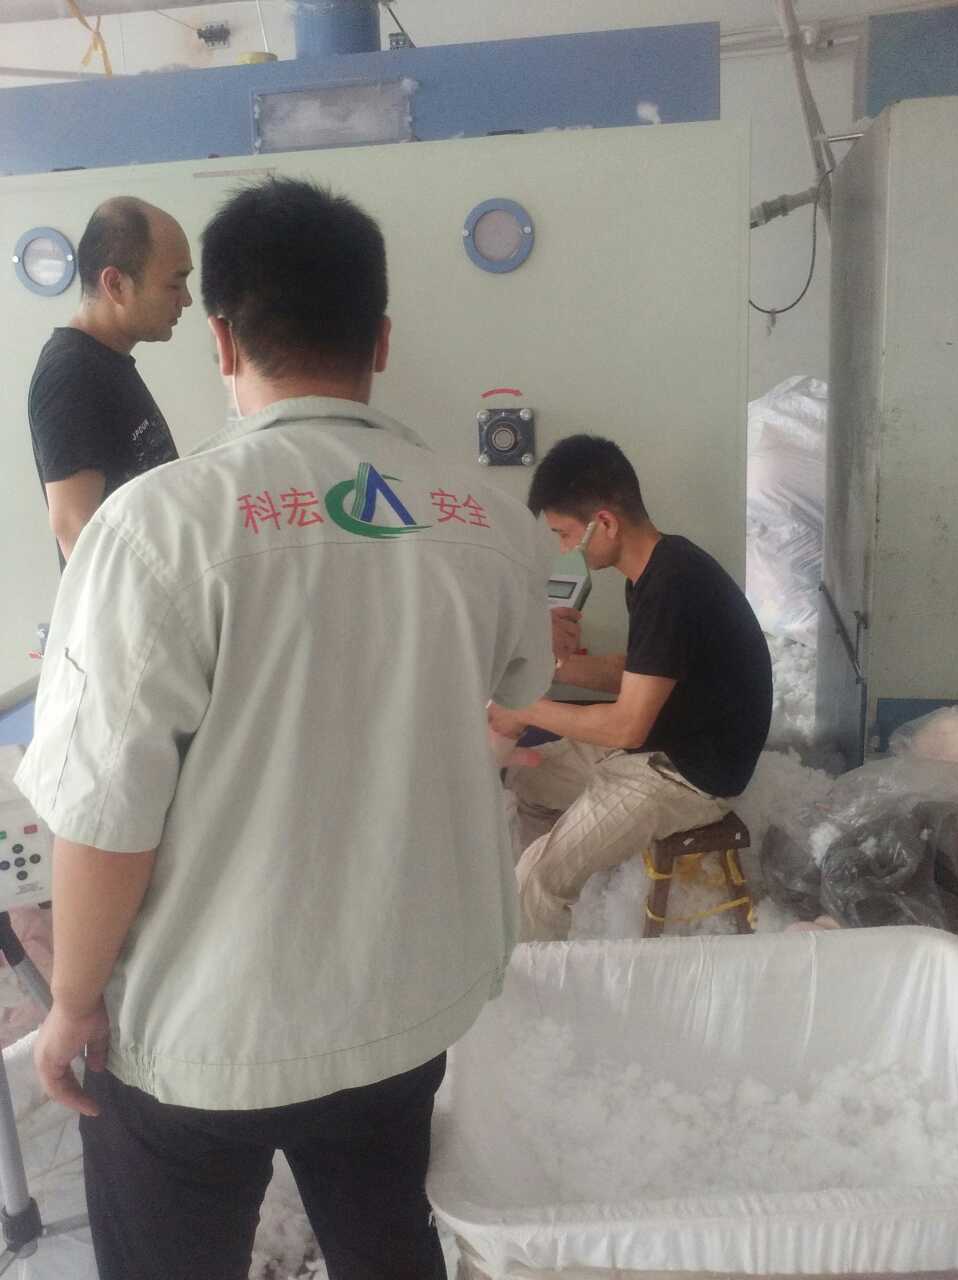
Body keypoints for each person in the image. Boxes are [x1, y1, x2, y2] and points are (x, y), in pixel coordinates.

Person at [15, 178, 554, 1280]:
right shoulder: (487, 520)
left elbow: (109, 818)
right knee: (386, 1247)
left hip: (204, 1038)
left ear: (220, 339)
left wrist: (70, 1004)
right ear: (383, 339)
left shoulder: (155, 530)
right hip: (403, 1002)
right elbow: (513, 697)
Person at [489, 434, 773, 941]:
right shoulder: (655, 569)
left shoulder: (673, 584)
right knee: (529, 781)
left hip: (689, 774)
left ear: (604, 523)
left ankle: (536, 940)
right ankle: (549, 906)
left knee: (537, 878)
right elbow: (640, 671)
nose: (562, 550)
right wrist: (559, 666)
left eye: (563, 534)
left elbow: (626, 726)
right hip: (657, 746)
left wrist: (525, 707)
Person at [28, 196, 193, 563]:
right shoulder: (70, 373)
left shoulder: (105, 363)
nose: (186, 300)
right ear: (116, 284)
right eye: (174, 284)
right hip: (129, 600)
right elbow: (76, 530)